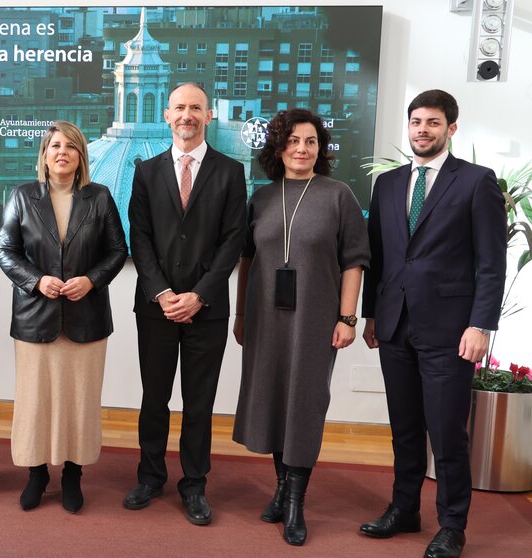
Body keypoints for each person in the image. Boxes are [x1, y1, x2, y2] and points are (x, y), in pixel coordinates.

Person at [359, 90, 506, 558]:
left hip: (450, 329)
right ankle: (404, 509)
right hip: (395, 325)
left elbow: (490, 263)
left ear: (451, 129)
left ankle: (453, 525)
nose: (422, 130)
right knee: (404, 427)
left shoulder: (477, 182)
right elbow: (378, 258)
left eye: (433, 123)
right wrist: (372, 316)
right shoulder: (387, 184)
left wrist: (481, 325)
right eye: (416, 121)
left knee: (446, 432)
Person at [231, 108, 370, 545]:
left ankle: (295, 504)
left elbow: (354, 261)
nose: (302, 149)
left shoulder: (338, 195)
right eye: (293, 141)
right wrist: (240, 315)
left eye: (310, 142)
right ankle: (280, 489)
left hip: (315, 318)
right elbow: (246, 262)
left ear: (320, 149)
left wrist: (348, 318)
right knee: (273, 400)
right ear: (279, 148)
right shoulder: (262, 198)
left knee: (304, 404)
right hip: (265, 317)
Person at [124, 82, 246, 525]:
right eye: (179, 107)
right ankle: (150, 476)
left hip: (207, 310)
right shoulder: (146, 171)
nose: (187, 115)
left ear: (208, 115)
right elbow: (139, 236)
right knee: (154, 399)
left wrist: (199, 294)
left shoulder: (231, 172)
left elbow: (234, 240)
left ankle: (194, 485)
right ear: (167, 114)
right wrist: (162, 292)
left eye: (196, 108)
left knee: (199, 403)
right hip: (155, 307)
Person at [0, 120, 127, 513]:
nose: (62, 152)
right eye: (55, 146)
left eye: (71, 146)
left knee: (79, 401)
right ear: (44, 154)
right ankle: (36, 474)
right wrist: (36, 281)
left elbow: (117, 251)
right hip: (37, 317)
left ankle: (72, 474)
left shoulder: (100, 197)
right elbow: (4, 250)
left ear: (81, 156)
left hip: (86, 319)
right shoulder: (21, 196)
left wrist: (91, 280)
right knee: (36, 401)